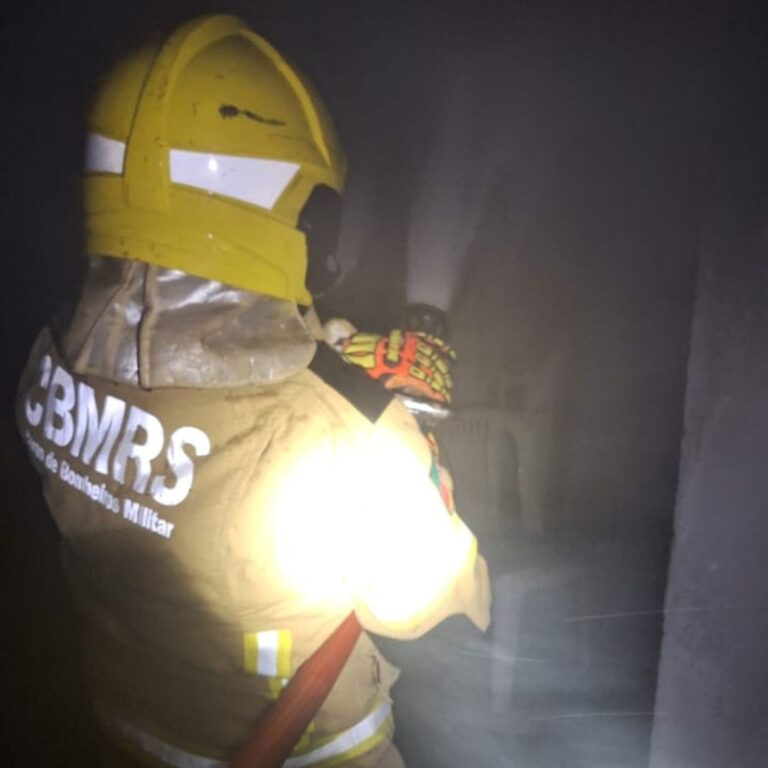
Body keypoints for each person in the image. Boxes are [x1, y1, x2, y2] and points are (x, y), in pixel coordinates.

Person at [16, 15, 490, 768]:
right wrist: (415, 444)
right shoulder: (344, 438)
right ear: (303, 214)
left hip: (118, 723)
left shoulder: (49, 362)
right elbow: (419, 602)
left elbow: (172, 371)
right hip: (309, 749)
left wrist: (317, 349)